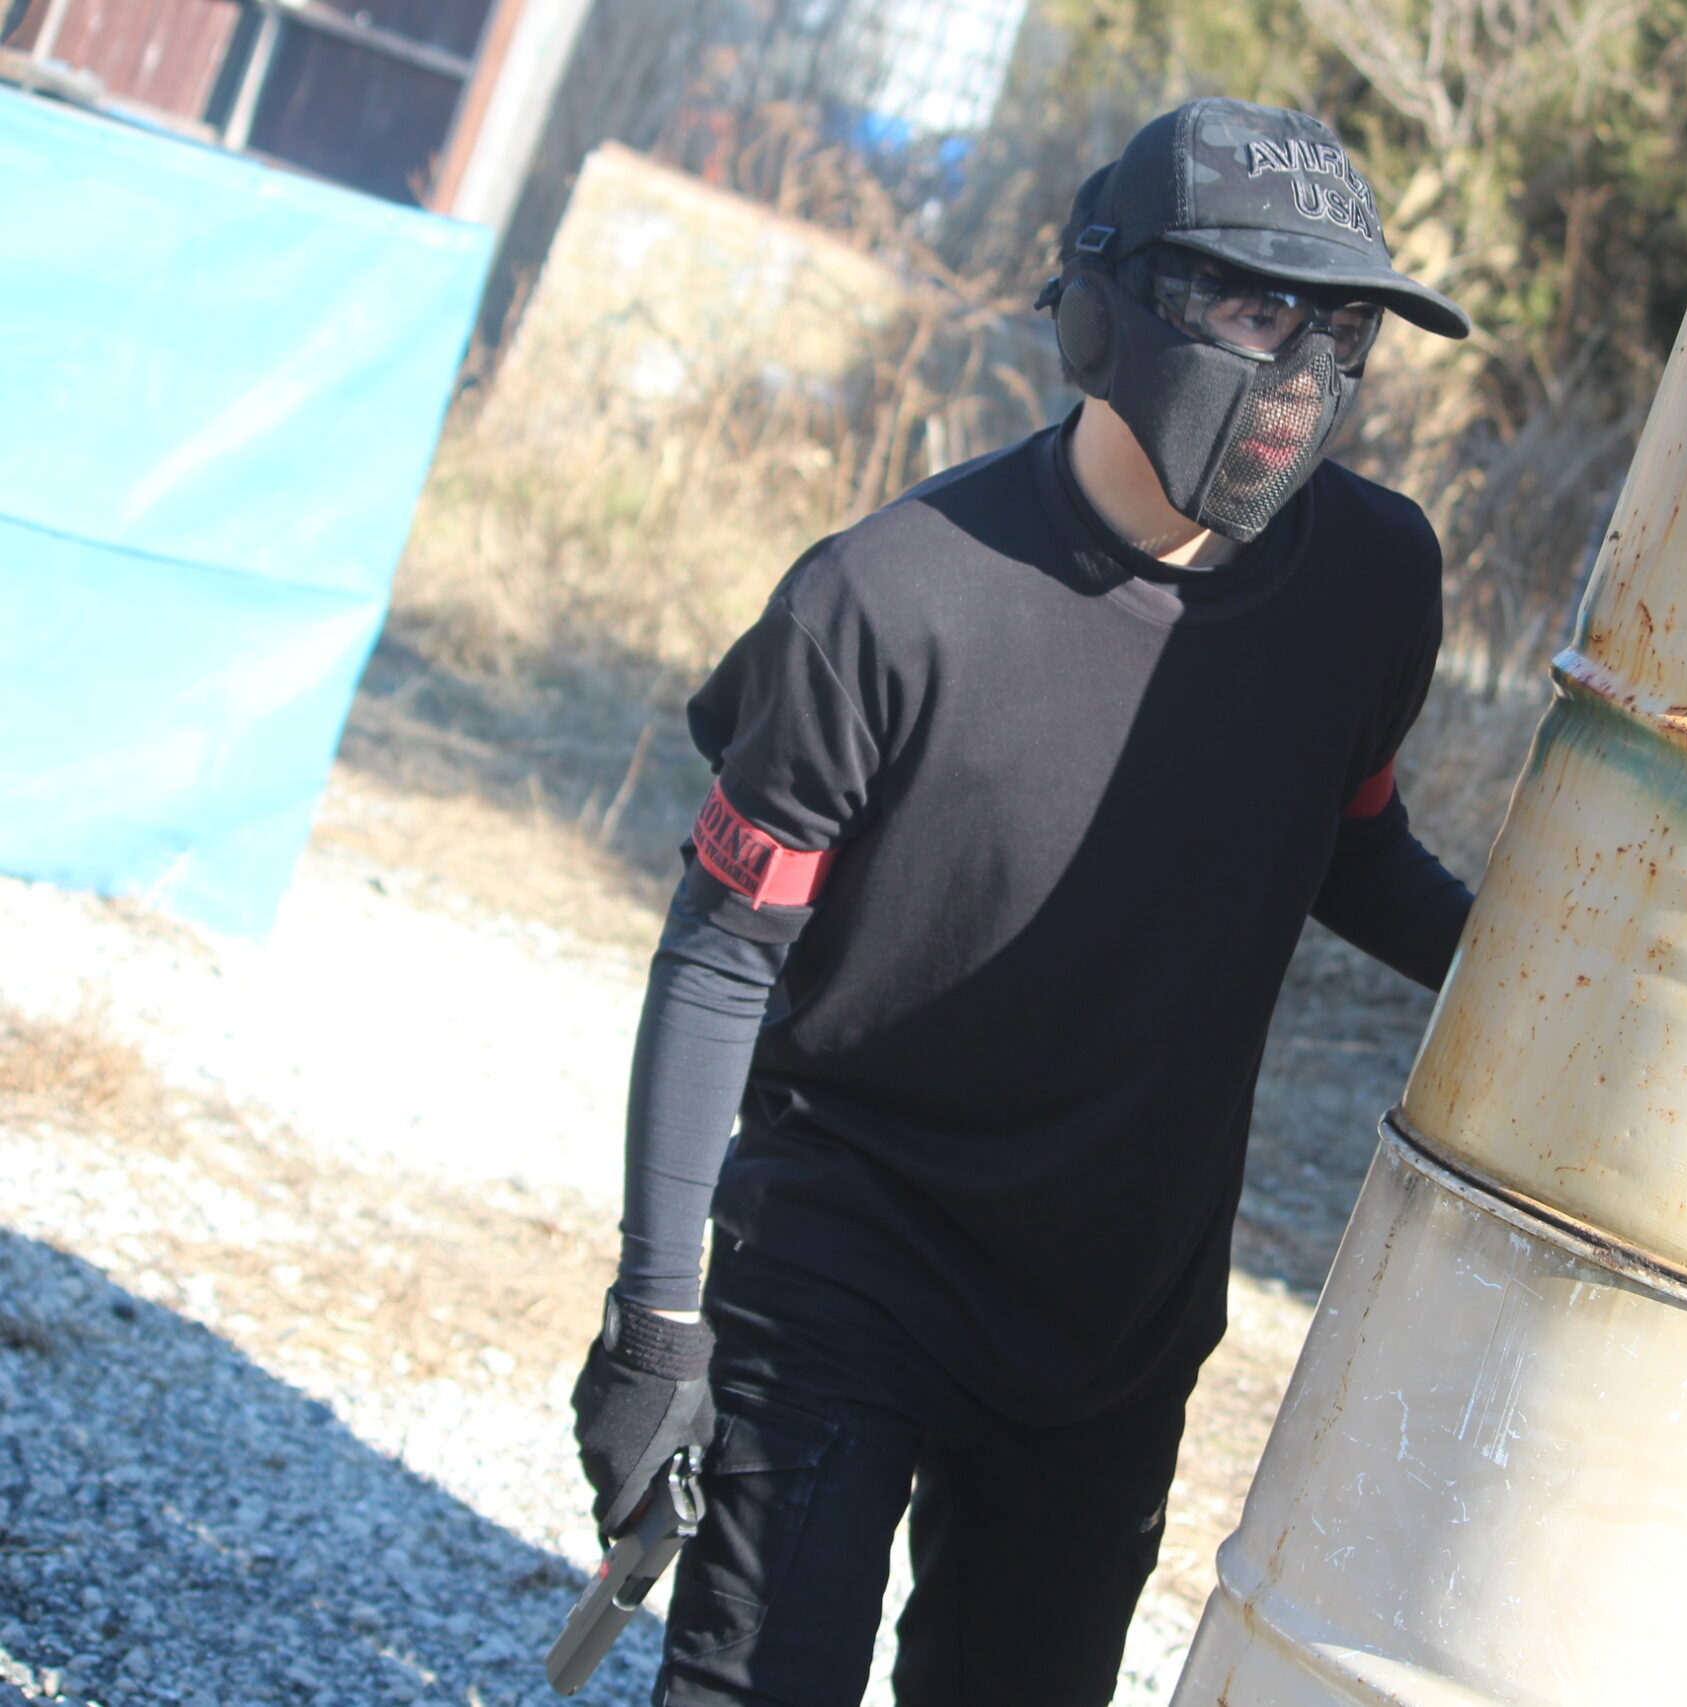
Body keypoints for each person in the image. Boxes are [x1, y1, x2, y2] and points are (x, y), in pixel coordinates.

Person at [568, 96, 1476, 1707]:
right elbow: (720, 959)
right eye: (1255, 310)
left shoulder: (1372, 581)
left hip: (1116, 1317)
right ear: (1104, 314)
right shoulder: (887, 598)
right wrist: (656, 1326)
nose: (1302, 373)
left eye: (1342, 330)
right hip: (845, 1270)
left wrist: (1582, 987)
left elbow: (1349, 845)